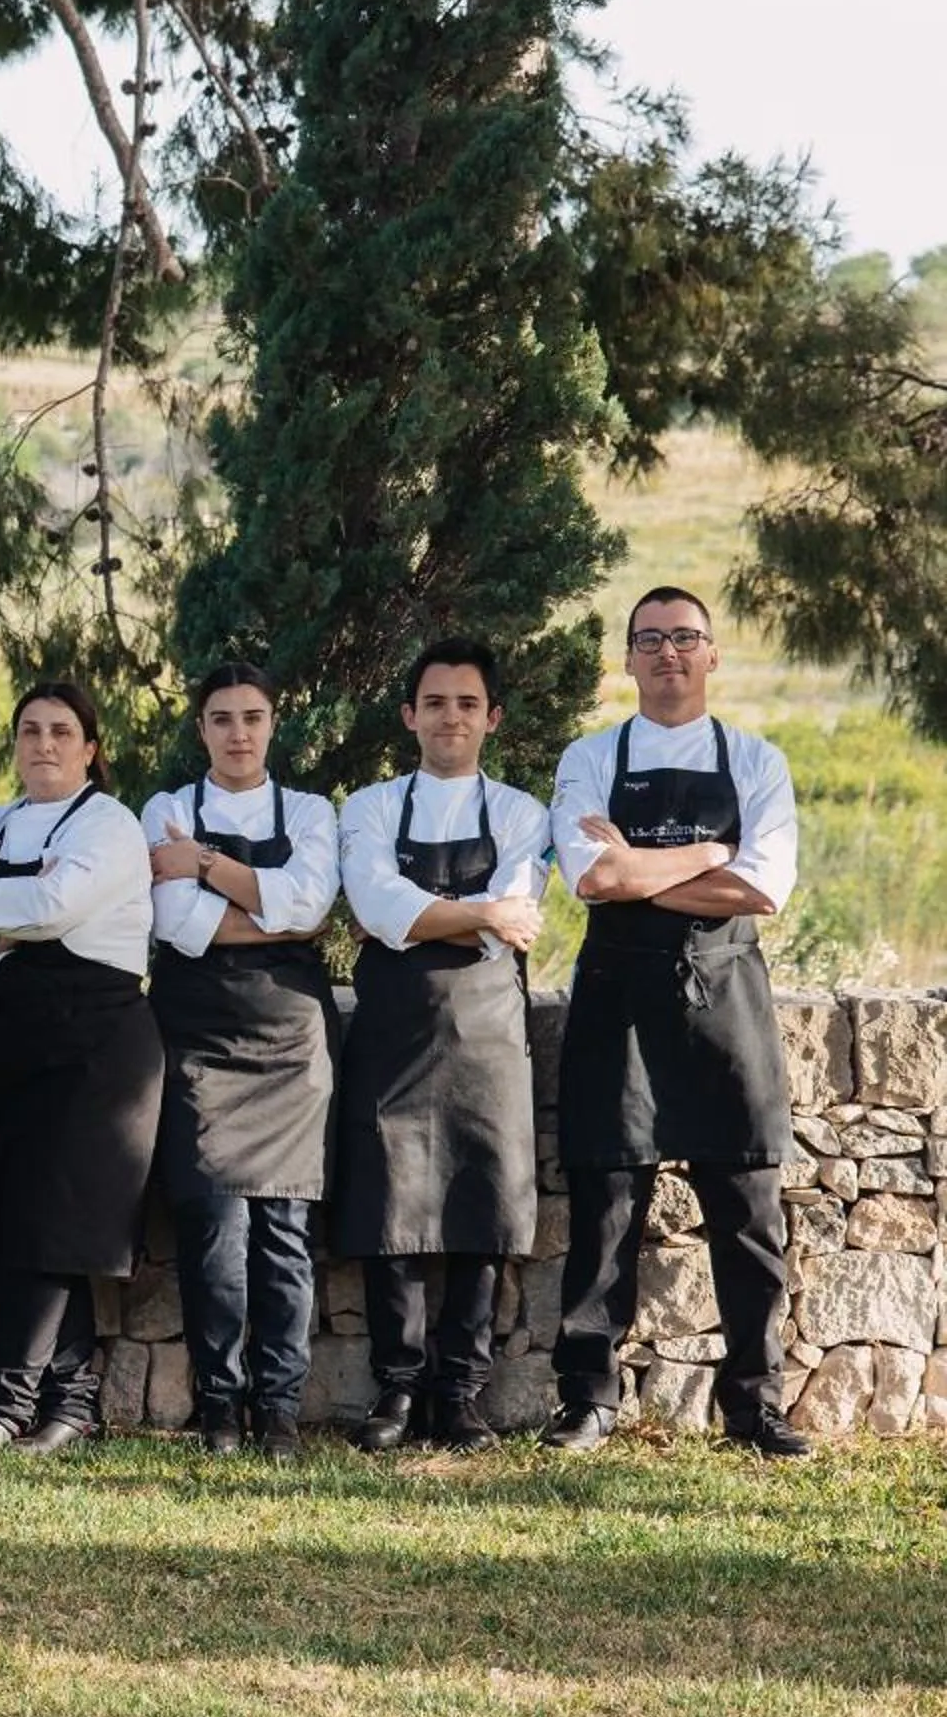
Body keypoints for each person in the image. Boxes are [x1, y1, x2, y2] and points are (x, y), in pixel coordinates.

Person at [543, 589, 809, 1458]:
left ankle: (755, 1404)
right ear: (627, 659)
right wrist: (706, 854)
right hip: (617, 997)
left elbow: (762, 889)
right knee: (606, 1204)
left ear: (712, 654)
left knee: (748, 1208)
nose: (668, 653)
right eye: (649, 639)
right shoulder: (587, 758)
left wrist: (636, 863)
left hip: (723, 995)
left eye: (684, 638)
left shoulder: (758, 760)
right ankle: (588, 1400)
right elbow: (591, 880)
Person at [335, 636, 550, 1453]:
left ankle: (458, 1394)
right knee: (391, 1206)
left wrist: (413, 916)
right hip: (393, 1028)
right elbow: (371, 903)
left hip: (489, 1030)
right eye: (434, 703)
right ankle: (395, 1391)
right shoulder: (371, 807)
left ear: (491, 717)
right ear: (408, 717)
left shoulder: (525, 815)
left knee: (481, 1207)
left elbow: (514, 924)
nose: (449, 716)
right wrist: (475, 912)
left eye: (466, 703)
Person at [0, 680, 161, 1455]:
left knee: (56, 1219)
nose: (43, 744)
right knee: (23, 1220)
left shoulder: (111, 823)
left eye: (61, 731)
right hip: (9, 1043)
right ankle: (70, 1407)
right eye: (30, 730)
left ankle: (4, 1406)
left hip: (95, 1050)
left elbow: (52, 907)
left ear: (91, 749)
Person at [142, 663, 340, 1458]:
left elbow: (312, 908)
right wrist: (268, 902)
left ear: (273, 723)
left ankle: (281, 1408)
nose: (238, 733)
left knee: (286, 1230)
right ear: (201, 730)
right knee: (213, 1223)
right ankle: (220, 1405)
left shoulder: (311, 810)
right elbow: (177, 926)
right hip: (198, 1037)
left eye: (252, 717)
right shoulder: (164, 810)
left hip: (292, 1040)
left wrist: (206, 869)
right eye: (221, 718)